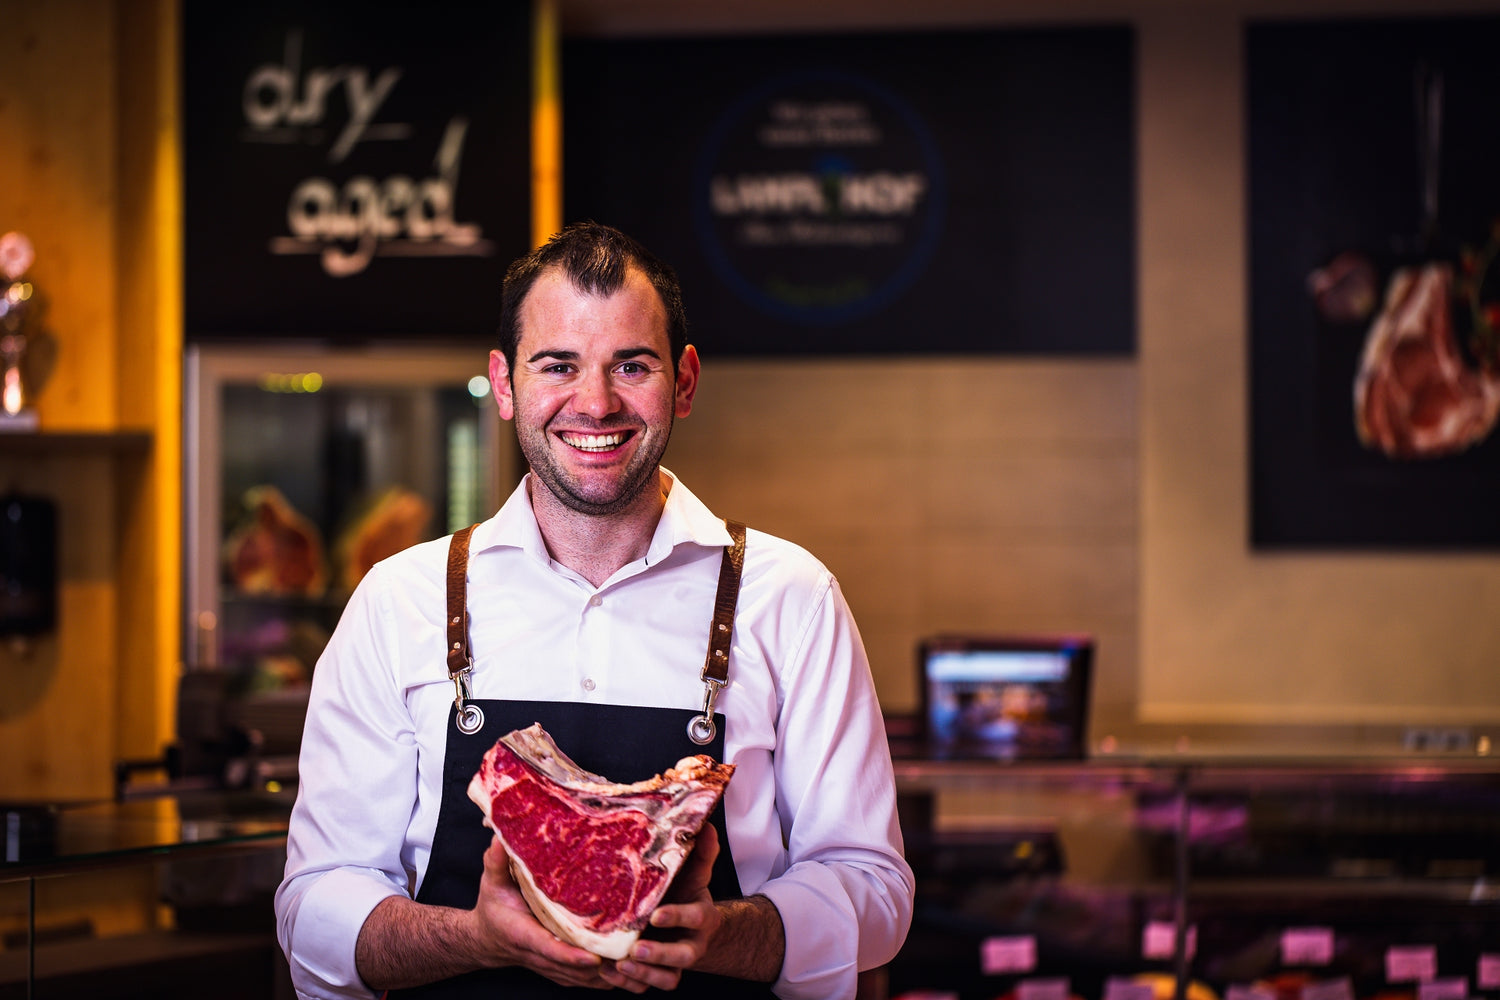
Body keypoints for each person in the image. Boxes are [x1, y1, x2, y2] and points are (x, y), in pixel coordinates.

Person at [274, 221, 914, 999]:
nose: (596, 402)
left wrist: (721, 938)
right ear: (504, 384)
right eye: (558, 365)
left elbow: (874, 890)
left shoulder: (791, 598)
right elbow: (316, 903)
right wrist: (474, 940)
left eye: (631, 365)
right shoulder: (398, 601)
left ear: (684, 381)